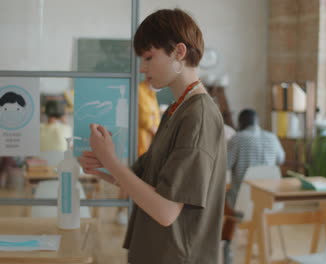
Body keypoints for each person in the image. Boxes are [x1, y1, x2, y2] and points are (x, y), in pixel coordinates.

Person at [79, 9, 226, 264]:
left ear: (179, 52)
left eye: (148, 57)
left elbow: (166, 211)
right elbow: (143, 182)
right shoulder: (176, 109)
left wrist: (111, 161)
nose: (143, 68)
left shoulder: (198, 116)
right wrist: (102, 167)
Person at [222, 108, 285, 264]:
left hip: (241, 203)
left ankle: (226, 245)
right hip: (270, 202)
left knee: (220, 201)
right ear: (257, 121)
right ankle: (264, 242)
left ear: (240, 123)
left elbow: (225, 165)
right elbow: (280, 160)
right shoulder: (272, 137)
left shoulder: (237, 139)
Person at [117, 80, 161, 225]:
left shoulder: (151, 94)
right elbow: (145, 120)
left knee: (138, 181)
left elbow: (155, 118)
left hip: (148, 145)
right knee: (130, 179)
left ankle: (131, 212)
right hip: (137, 144)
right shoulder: (140, 91)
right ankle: (121, 212)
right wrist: (156, 128)